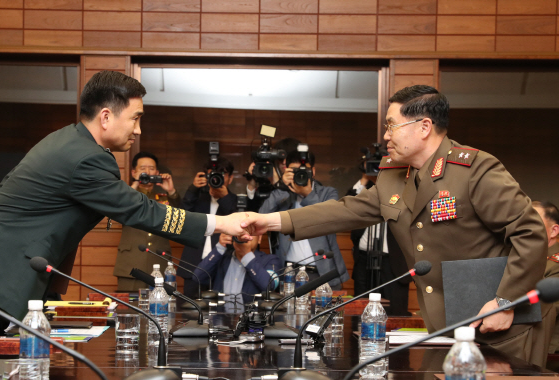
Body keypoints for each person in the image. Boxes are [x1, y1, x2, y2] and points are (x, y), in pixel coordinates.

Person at [0, 70, 247, 354]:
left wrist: (53, 298)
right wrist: (222, 222)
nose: (138, 130)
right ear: (106, 117)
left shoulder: (70, 143)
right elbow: (142, 210)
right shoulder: (87, 157)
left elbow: (60, 225)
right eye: (135, 118)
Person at [238, 85, 551, 367]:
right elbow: (346, 210)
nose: (386, 135)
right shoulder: (394, 175)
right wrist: (270, 221)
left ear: (424, 126)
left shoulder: (475, 170)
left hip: (497, 328)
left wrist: (506, 301)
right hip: (444, 328)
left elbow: (531, 233)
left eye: (391, 125)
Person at [258, 150, 349, 289]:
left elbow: (332, 216)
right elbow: (262, 215)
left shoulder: (327, 193)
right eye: (294, 170)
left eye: (304, 170)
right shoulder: (282, 195)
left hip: (322, 272)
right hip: (289, 273)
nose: (299, 174)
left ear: (313, 171)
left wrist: (307, 194)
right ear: (286, 171)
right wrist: (282, 186)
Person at [113, 151, 181, 291]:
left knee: (161, 308)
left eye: (151, 169)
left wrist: (171, 191)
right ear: (134, 172)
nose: (147, 172)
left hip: (159, 264)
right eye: (143, 169)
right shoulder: (126, 194)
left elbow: (180, 219)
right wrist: (136, 183)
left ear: (157, 172)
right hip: (130, 264)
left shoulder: (163, 197)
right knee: (129, 307)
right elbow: (118, 210)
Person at [348, 172, 410, 316]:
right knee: (362, 310)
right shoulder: (366, 190)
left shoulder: (405, 187)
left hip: (393, 262)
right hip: (365, 260)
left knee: (394, 312)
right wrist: (364, 180)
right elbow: (349, 204)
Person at [179, 157, 237, 299]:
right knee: (190, 310)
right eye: (212, 175)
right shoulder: (198, 198)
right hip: (193, 264)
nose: (216, 179)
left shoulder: (236, 201)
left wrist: (224, 197)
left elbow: (237, 221)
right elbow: (182, 215)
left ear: (230, 178)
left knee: (221, 313)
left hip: (222, 266)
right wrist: (193, 188)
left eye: (221, 175)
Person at [193, 233, 282, 305]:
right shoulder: (222, 257)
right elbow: (198, 278)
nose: (245, 237)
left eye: (250, 233)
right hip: (221, 319)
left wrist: (247, 256)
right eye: (240, 233)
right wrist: (220, 247)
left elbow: (269, 286)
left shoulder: (270, 260)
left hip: (253, 320)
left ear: (259, 239)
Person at [532, 201, 559, 353]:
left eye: (533, 222)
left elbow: (547, 307)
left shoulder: (555, 264)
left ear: (554, 231)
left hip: (548, 351)